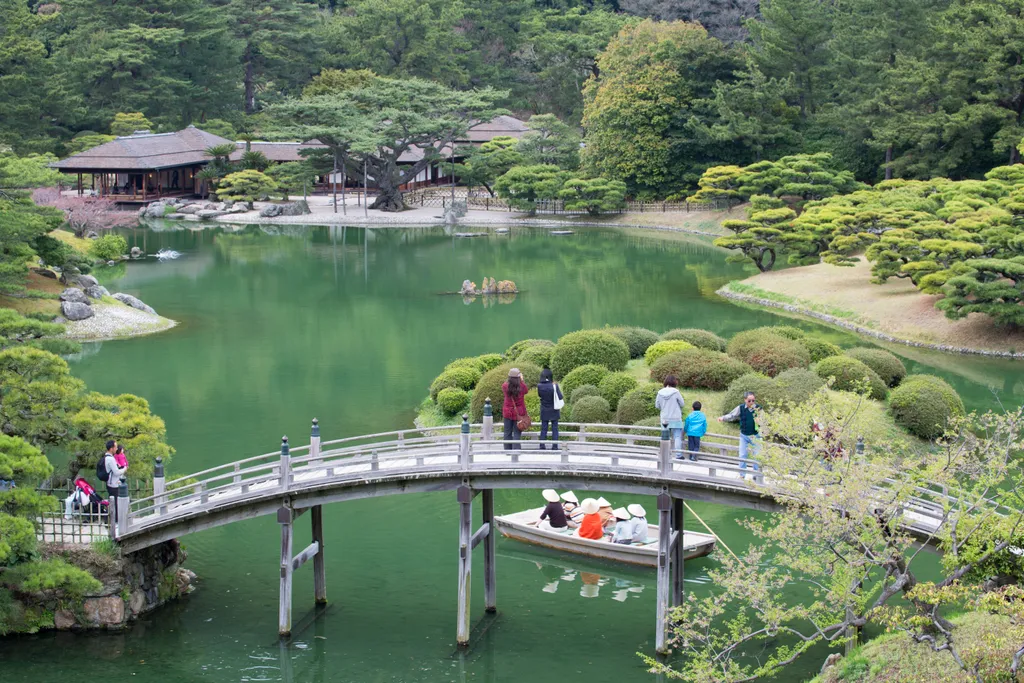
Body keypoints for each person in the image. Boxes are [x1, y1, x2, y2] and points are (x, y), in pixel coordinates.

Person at [719, 391, 761, 476]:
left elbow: (765, 421)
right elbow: (732, 415)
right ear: (745, 400)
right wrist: (723, 418)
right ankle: (742, 475)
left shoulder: (758, 408)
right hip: (744, 435)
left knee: (757, 457)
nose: (751, 402)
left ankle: (756, 475)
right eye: (749, 401)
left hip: (755, 435)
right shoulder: (741, 408)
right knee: (742, 455)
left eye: (753, 400)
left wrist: (760, 422)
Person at [656, 375, 686, 459]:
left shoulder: (659, 392)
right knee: (677, 436)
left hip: (665, 419)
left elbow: (657, 406)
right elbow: (682, 404)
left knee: (665, 437)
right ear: (674, 382)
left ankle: (665, 454)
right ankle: (678, 455)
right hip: (676, 418)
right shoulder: (676, 392)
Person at [501, 368, 529, 451]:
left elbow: (506, 386)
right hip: (519, 412)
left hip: (507, 411)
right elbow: (526, 391)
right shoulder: (522, 386)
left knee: (507, 432)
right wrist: (522, 380)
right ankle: (516, 450)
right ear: (518, 377)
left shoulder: (505, 386)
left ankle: (507, 450)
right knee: (517, 431)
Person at [535, 367, 563, 450]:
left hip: (544, 409)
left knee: (544, 428)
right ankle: (555, 446)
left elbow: (540, 396)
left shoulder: (539, 386)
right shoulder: (554, 385)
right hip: (554, 409)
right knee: (555, 428)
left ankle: (542, 445)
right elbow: (560, 397)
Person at [100, 440, 127, 522]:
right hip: (114, 484)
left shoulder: (107, 457)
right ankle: (114, 521)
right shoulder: (110, 459)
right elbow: (116, 472)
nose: (117, 448)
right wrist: (124, 469)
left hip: (111, 483)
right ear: (111, 448)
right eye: (115, 447)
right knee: (115, 503)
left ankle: (112, 519)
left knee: (114, 502)